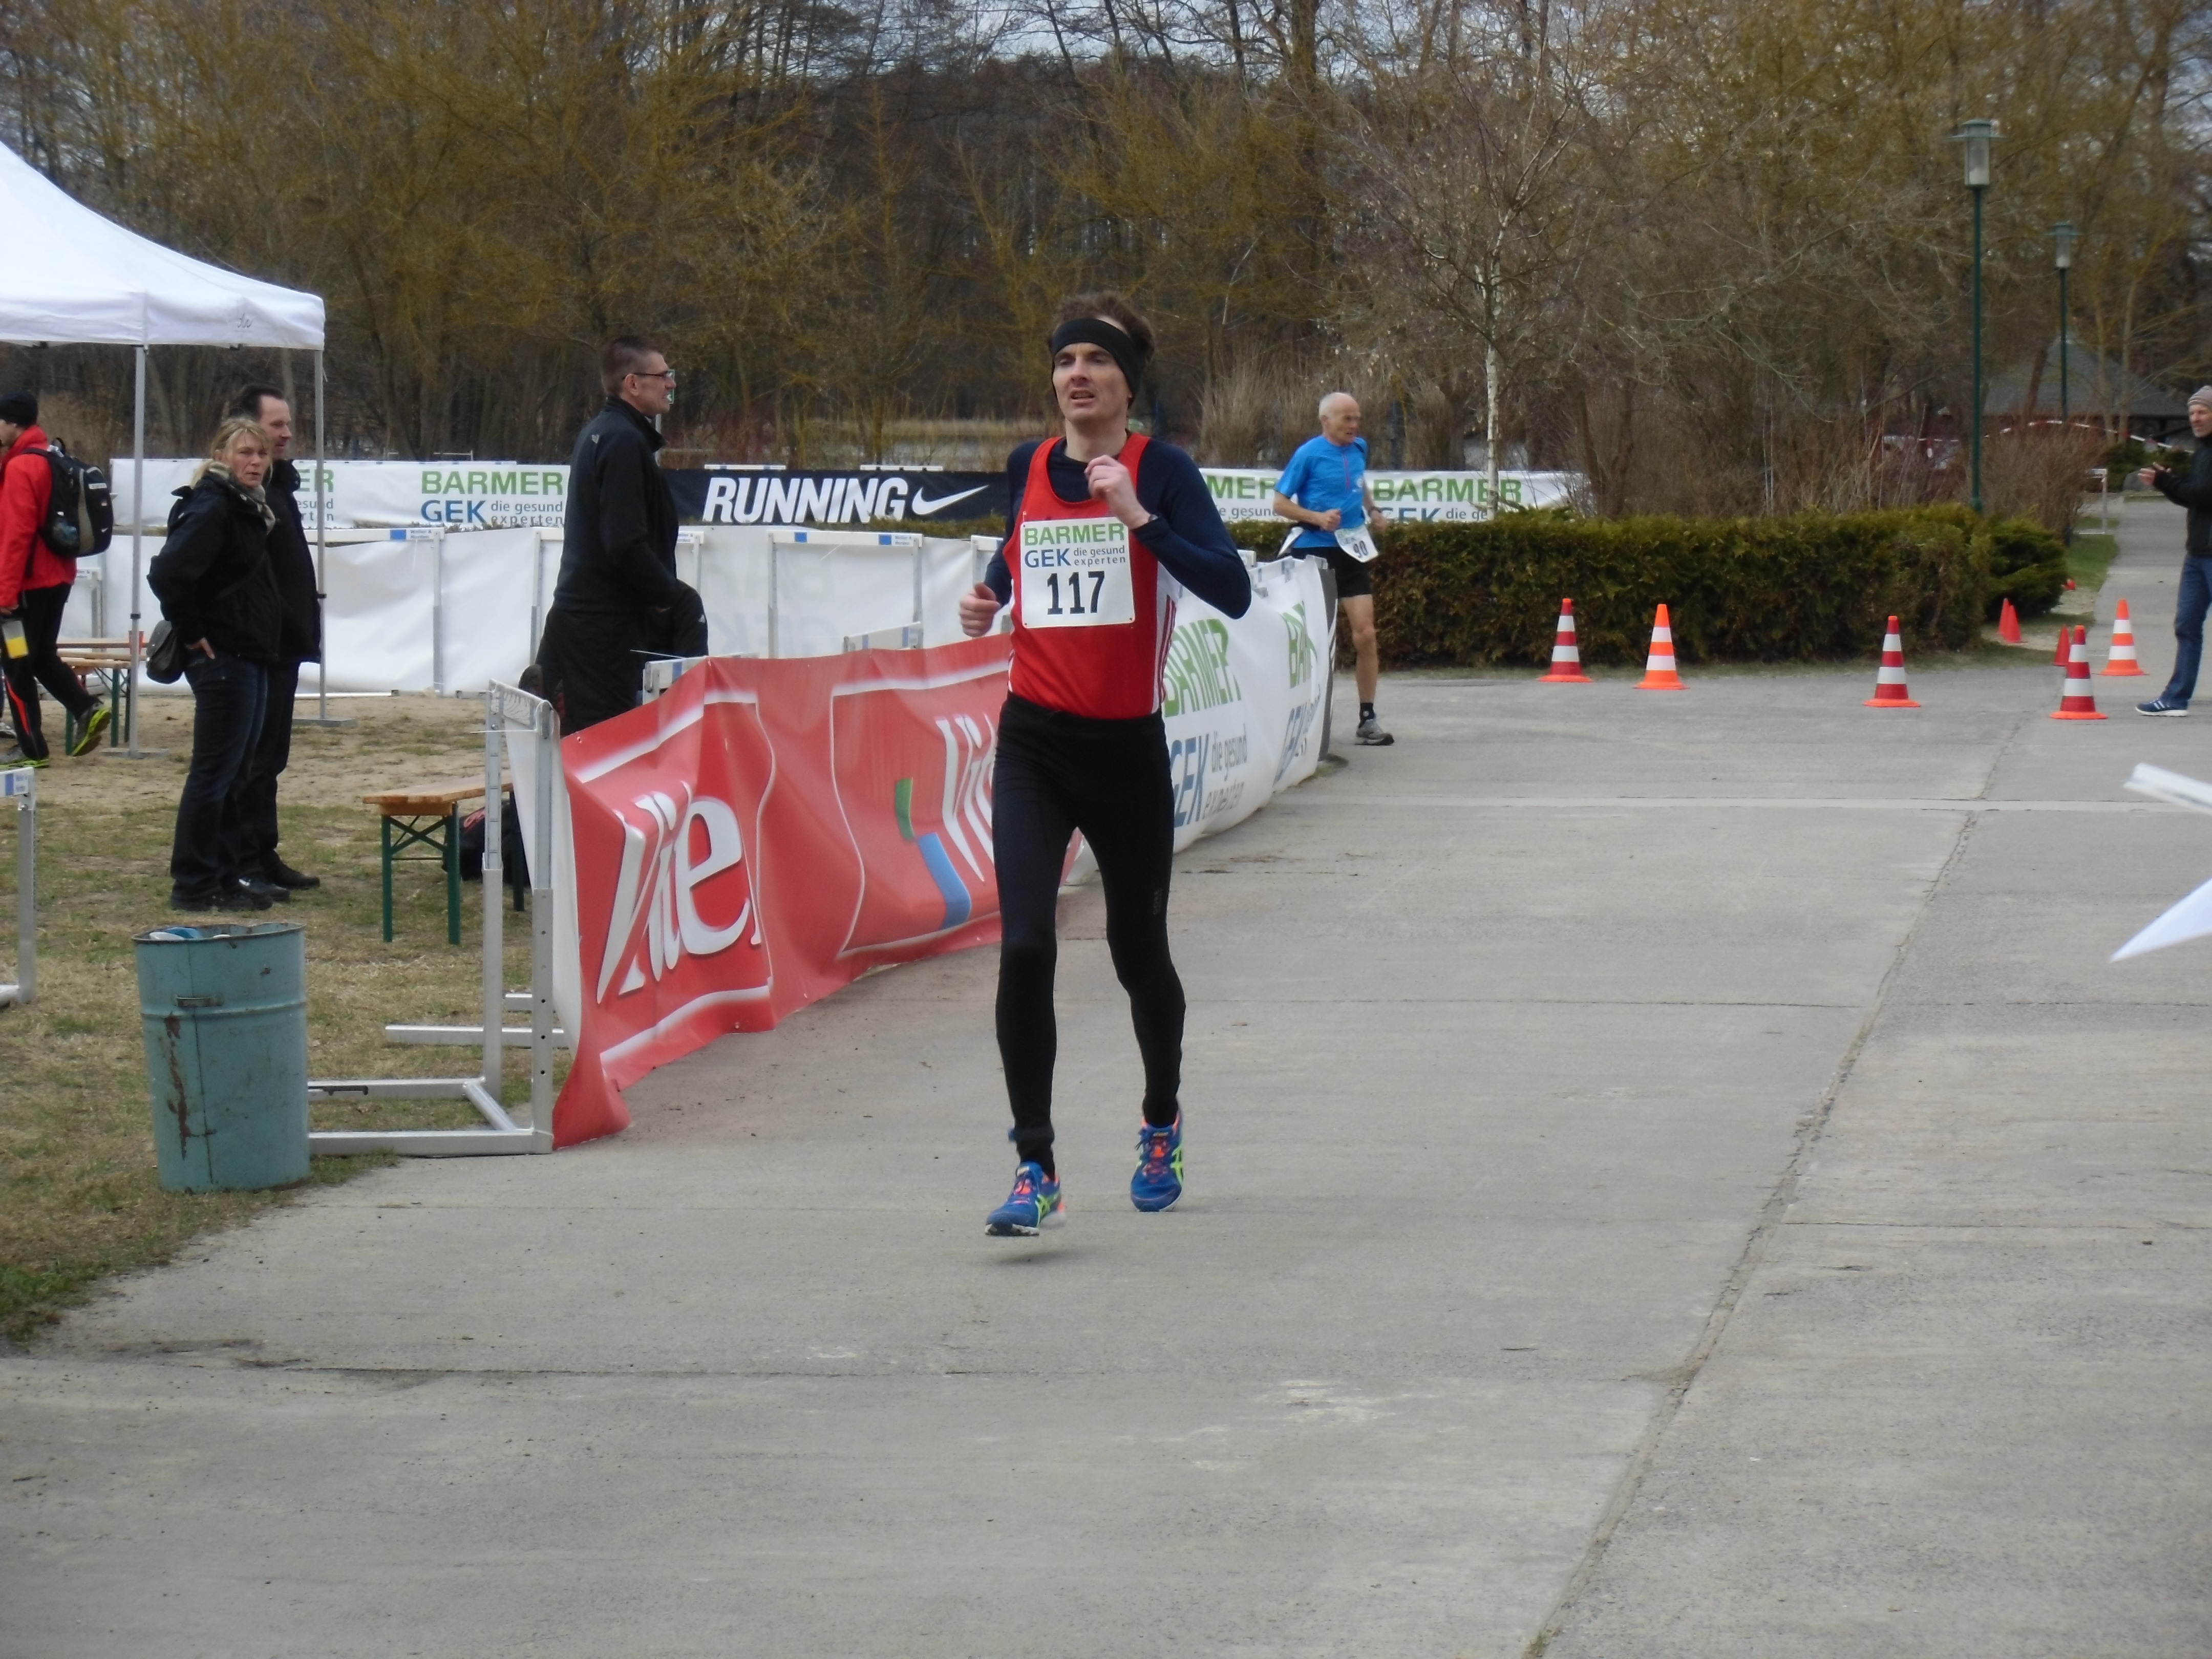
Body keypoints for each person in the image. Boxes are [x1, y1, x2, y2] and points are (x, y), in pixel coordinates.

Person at [958, 292, 1251, 1236]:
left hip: (1126, 750)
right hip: (1034, 744)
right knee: (1025, 945)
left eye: (1096, 360)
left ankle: (1161, 1120)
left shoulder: (1163, 471)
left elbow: (1234, 590)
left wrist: (1140, 519)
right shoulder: (1029, 464)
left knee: (1138, 954)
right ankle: (1034, 1164)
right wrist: (991, 595)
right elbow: (1020, 547)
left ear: (1129, 383)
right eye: (1064, 360)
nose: (1076, 374)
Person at [149, 417, 286, 912]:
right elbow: (168, 572)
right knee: (215, 773)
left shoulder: (246, 506)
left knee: (235, 774)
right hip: (223, 655)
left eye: (261, 454)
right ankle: (194, 882)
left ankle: (226, 877)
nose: (255, 462)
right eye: (245, 452)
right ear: (222, 455)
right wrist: (192, 631)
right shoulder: (214, 504)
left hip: (248, 651)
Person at [535, 337, 705, 735]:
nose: (671, 384)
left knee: (573, 741)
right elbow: (624, 542)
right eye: (663, 376)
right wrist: (670, 596)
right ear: (633, 383)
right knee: (607, 743)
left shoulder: (599, 432)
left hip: (578, 617)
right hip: (605, 629)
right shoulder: (624, 441)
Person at [227, 385, 322, 887]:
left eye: (288, 424)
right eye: (276, 424)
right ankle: (242, 860)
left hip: (285, 642)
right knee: (252, 759)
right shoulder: (240, 492)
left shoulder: (280, 484)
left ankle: (263, 852)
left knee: (272, 758)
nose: (286, 434)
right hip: (258, 645)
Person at [1272, 392, 1392, 745]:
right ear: (1326, 421)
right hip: (1314, 550)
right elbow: (1279, 503)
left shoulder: (1359, 448)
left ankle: (1367, 719)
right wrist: (1316, 517)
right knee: (1311, 641)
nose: (1354, 426)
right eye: (1346, 419)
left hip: (1352, 548)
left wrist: (1373, 510)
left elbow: (1360, 482)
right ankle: (1300, 721)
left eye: (1357, 419)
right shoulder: (1308, 454)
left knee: (1366, 634)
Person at [0, 389, 109, 767]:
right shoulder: (51, 456)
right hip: (59, 578)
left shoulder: (20, 467)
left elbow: (16, 535)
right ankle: (86, 707)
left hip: (25, 587)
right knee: (42, 655)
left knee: (16, 663)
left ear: (13, 423)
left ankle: (31, 748)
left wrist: (5, 593)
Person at [2136, 386, 2212, 717]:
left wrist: (2169, 482)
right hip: (2197, 554)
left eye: (2203, 412)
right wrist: (2165, 483)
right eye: (2192, 412)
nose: (2196, 418)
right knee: (2186, 625)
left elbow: (2204, 493)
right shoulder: (2203, 452)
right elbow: (2192, 498)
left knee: (2188, 625)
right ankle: (2176, 698)